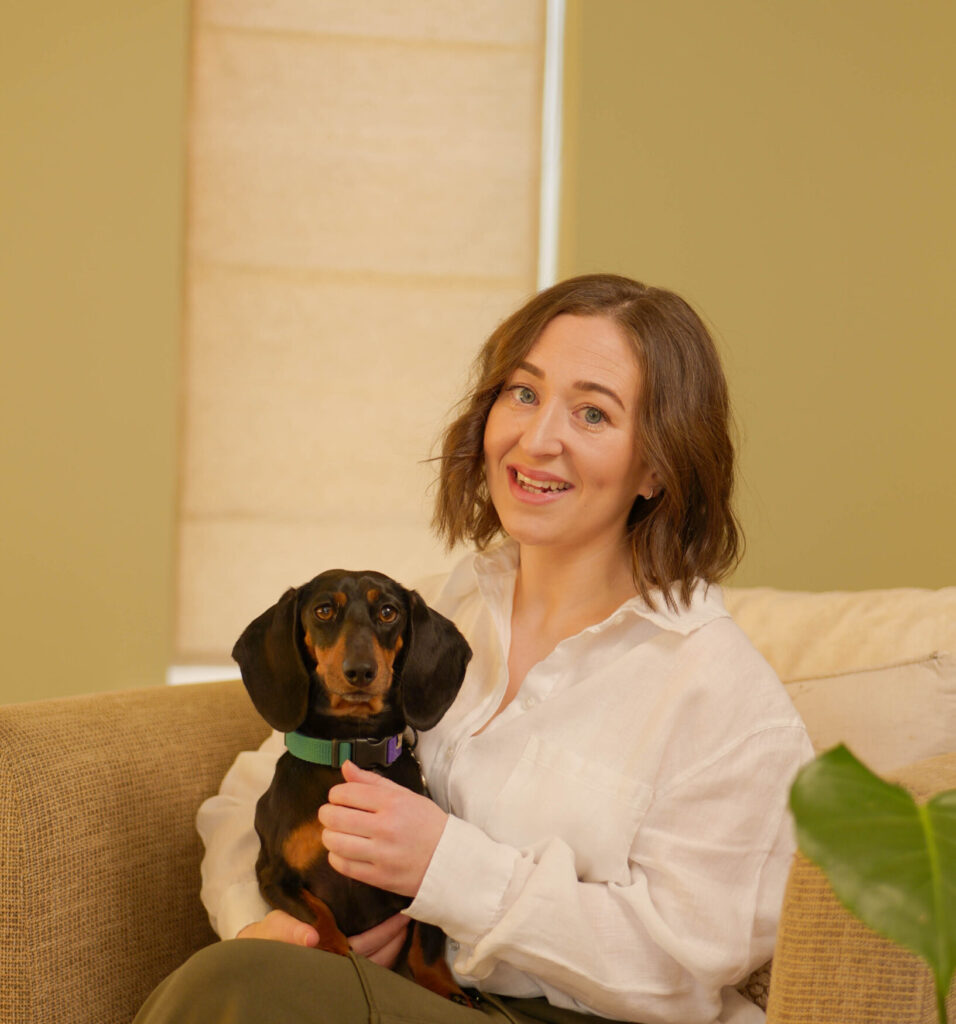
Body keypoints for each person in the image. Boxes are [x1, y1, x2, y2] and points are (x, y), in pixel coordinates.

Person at [135, 274, 812, 1024]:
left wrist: (447, 869)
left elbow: (683, 967)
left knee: (233, 991)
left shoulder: (722, 695)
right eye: (523, 393)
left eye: (592, 412)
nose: (537, 438)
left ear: (659, 465)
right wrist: (269, 933)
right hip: (388, 995)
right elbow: (249, 801)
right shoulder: (433, 615)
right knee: (237, 980)